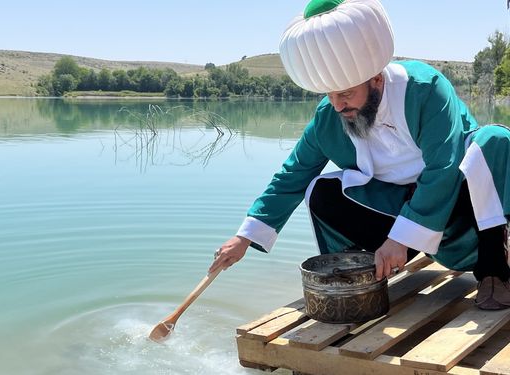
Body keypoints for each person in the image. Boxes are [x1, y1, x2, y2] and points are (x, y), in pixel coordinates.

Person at [209, 0, 510, 310]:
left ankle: (495, 273)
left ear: (376, 79)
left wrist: (402, 239)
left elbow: (444, 168)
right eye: (330, 94)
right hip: (398, 212)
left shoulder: (425, 88)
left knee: (495, 140)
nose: (338, 105)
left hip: (463, 211)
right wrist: (244, 237)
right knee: (321, 191)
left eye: (346, 93)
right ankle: (360, 276)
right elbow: (292, 175)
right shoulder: (330, 117)